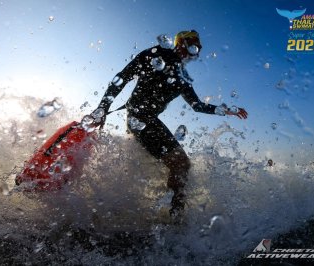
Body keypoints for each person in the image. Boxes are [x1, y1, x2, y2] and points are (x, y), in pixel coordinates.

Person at [91, 30, 248, 218]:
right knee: (181, 164)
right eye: (192, 45)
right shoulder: (155, 54)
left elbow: (196, 105)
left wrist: (226, 111)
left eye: (198, 48)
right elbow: (123, 77)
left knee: (179, 165)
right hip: (138, 117)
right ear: (179, 43)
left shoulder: (182, 77)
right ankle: (174, 222)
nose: (195, 52)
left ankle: (154, 212)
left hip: (150, 120)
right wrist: (102, 110)